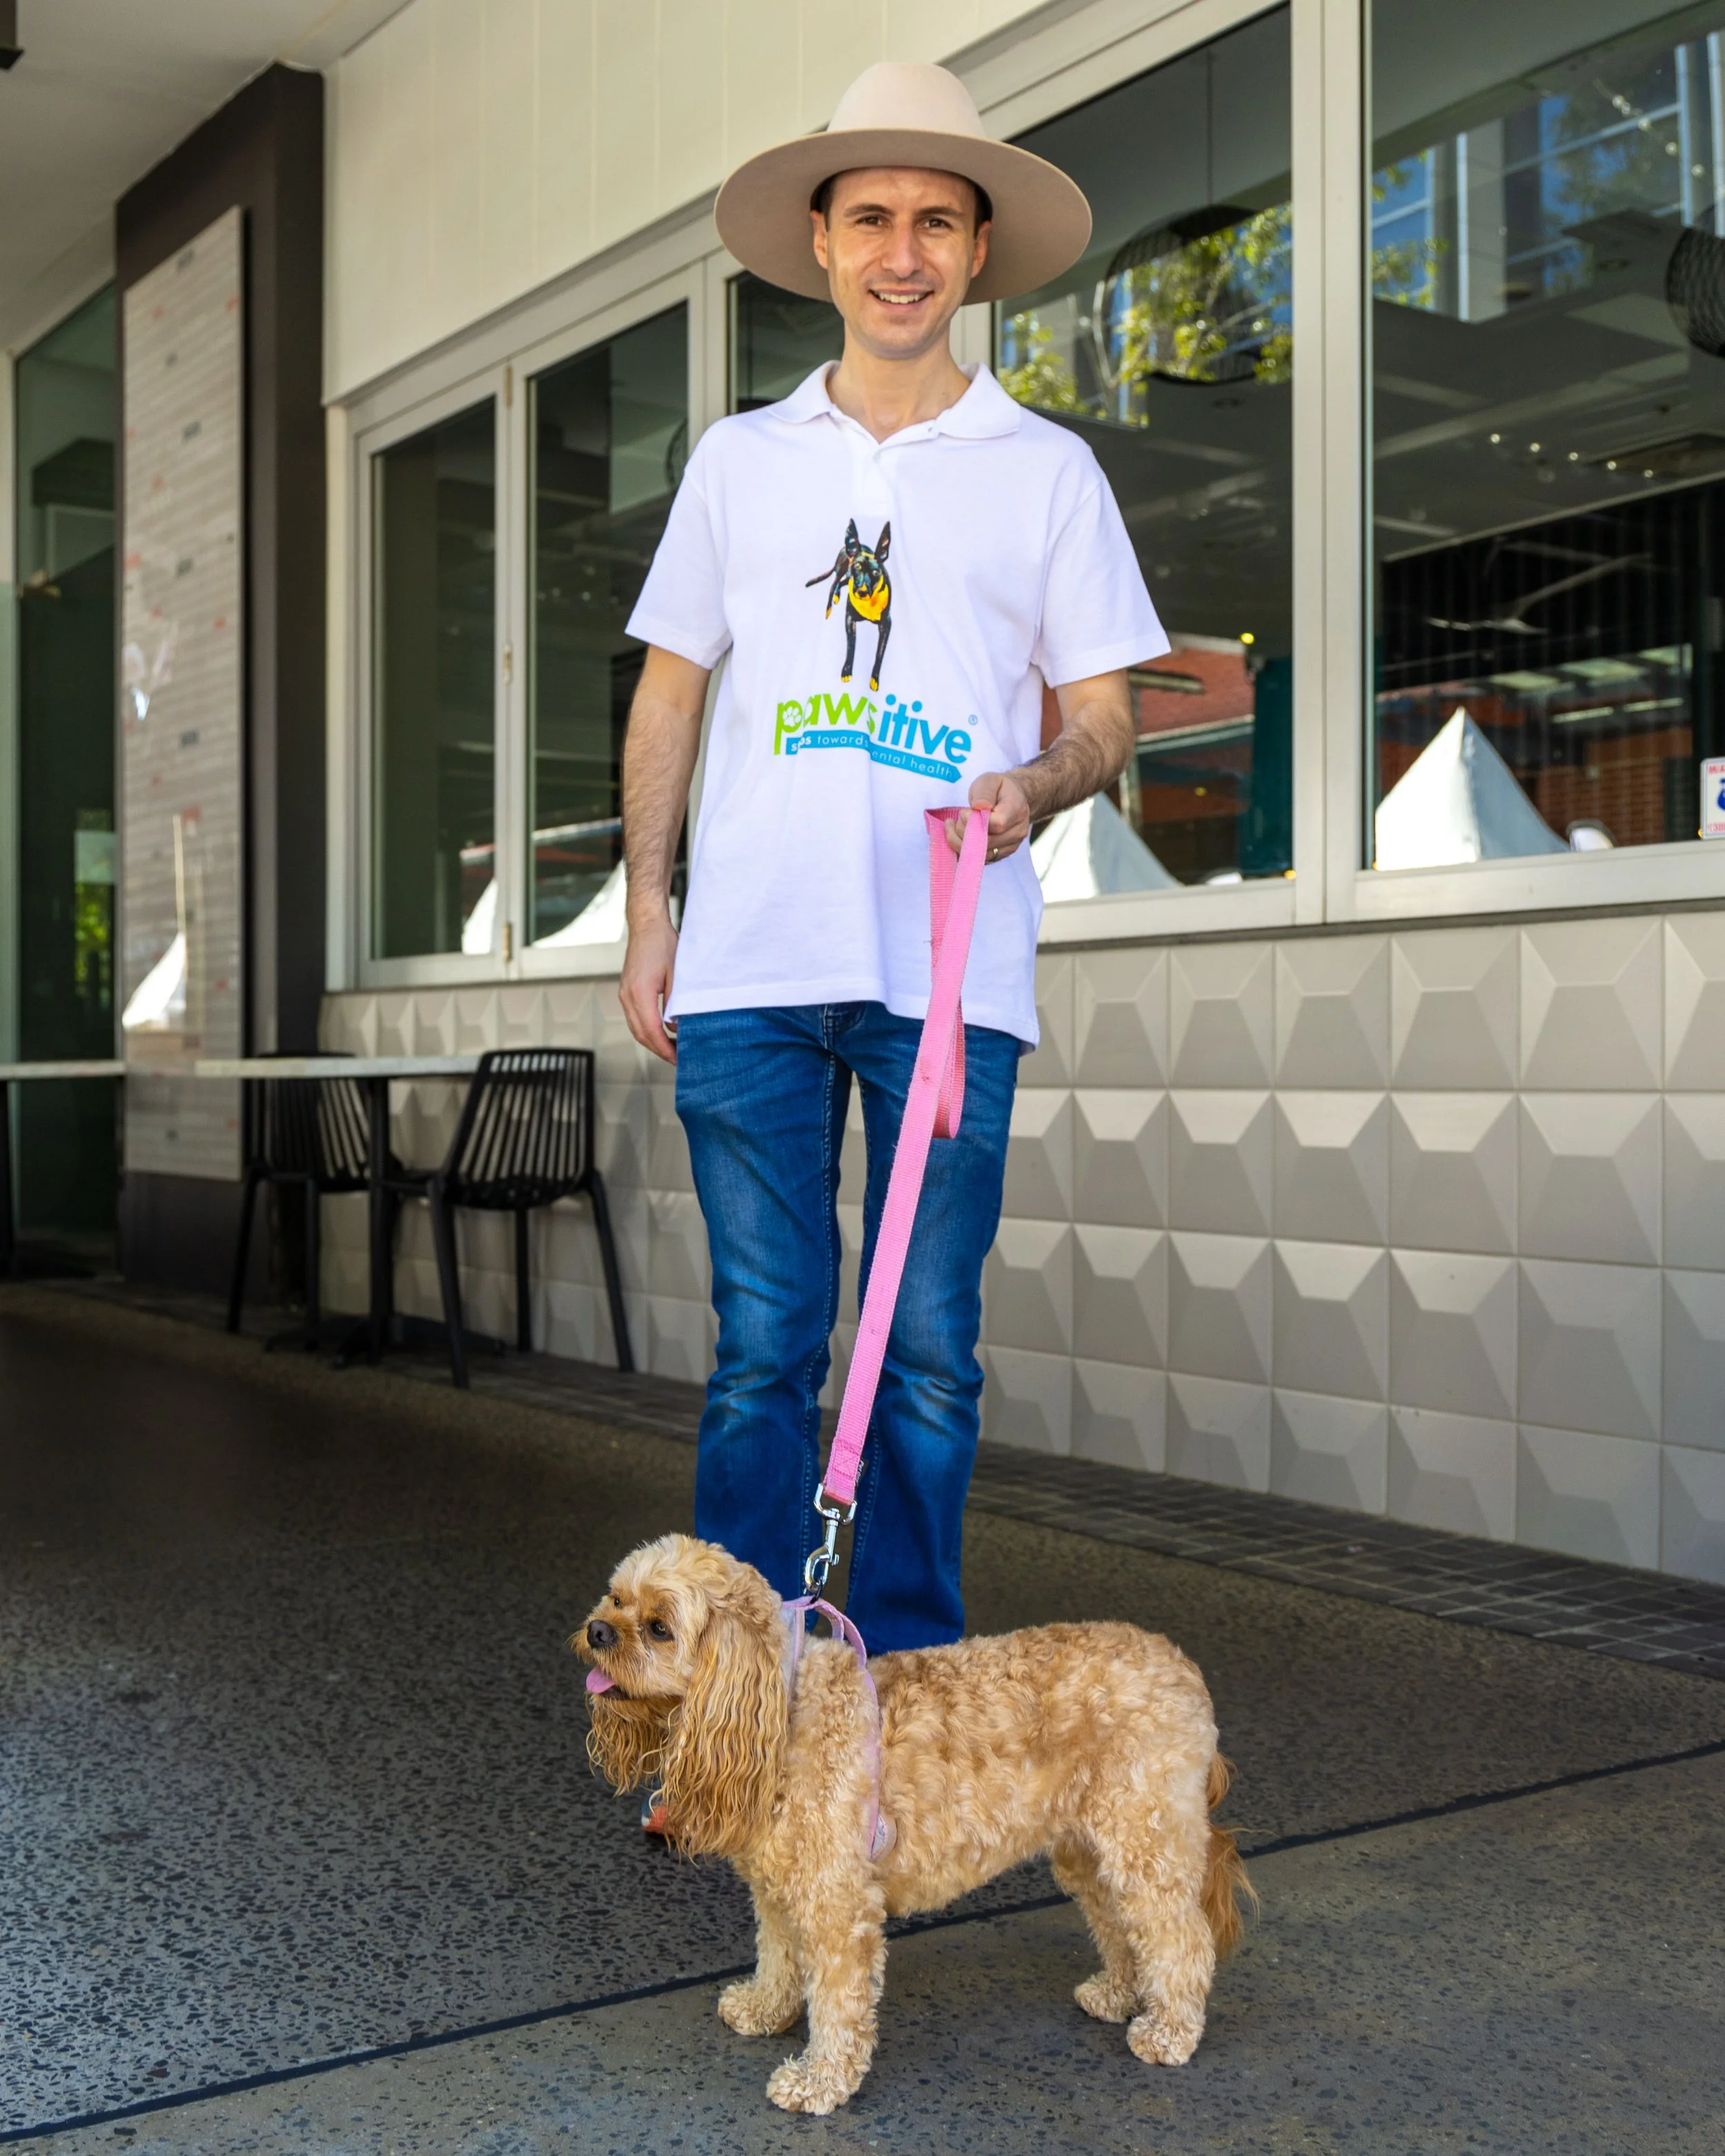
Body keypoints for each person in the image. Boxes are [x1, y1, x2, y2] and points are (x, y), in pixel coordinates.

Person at [618, 60, 1167, 1662]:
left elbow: (1104, 718)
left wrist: (1033, 785)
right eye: (872, 217)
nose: (903, 250)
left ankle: (906, 1673)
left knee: (925, 1349)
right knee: (763, 1348)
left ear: (977, 251)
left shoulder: (1045, 468)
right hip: (750, 972)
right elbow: (671, 688)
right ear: (822, 239)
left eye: (937, 219)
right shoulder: (739, 460)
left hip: (947, 969)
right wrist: (650, 909)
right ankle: (733, 1688)